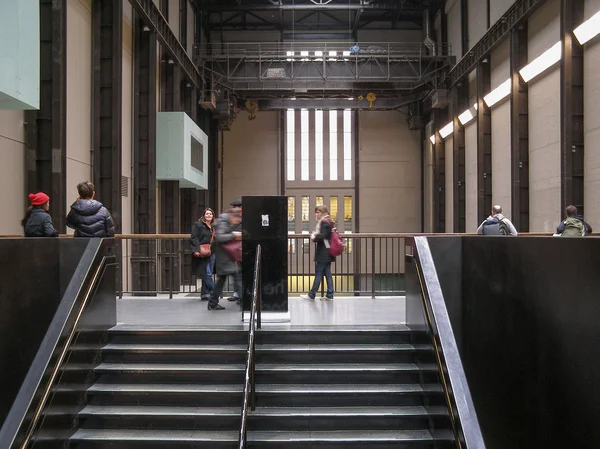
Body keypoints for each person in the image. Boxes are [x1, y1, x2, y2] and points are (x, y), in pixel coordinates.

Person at [207, 208, 243, 310]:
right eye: (237, 220)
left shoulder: (225, 221)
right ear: (233, 216)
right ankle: (244, 302)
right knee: (237, 277)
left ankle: (212, 302)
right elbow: (220, 237)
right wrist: (233, 235)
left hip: (226, 255)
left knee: (222, 280)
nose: (237, 222)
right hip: (226, 255)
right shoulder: (224, 221)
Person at [301, 205, 335, 301]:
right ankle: (330, 294)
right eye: (316, 212)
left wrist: (314, 237)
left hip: (324, 252)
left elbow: (323, 236)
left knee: (319, 272)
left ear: (323, 212)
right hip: (328, 251)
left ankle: (312, 294)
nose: (316, 214)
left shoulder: (324, 222)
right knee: (327, 273)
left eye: (318, 212)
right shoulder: (329, 221)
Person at [191, 208, 216, 300]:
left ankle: (205, 294)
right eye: (207, 214)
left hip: (212, 251)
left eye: (210, 214)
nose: (209, 215)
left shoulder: (213, 226)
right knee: (206, 272)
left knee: (209, 271)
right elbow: (194, 237)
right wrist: (196, 250)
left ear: (213, 216)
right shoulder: (198, 225)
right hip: (202, 251)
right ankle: (214, 290)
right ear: (204, 215)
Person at [227, 199, 243, 304]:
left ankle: (240, 294)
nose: (234, 208)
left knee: (239, 273)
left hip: (240, 247)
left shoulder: (242, 218)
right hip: (234, 247)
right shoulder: (234, 218)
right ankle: (237, 294)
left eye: (235, 206)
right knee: (237, 272)